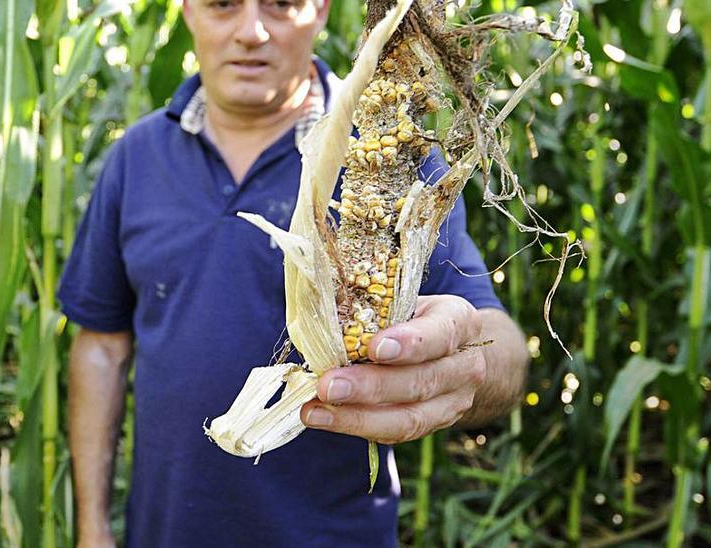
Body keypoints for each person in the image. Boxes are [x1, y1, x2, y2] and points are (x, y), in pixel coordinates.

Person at [59, 0, 530, 545]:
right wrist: (92, 525)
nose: (252, 31)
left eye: (282, 5)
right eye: (223, 5)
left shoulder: (400, 157)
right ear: (187, 10)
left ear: (321, 11)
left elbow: (502, 353)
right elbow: (101, 347)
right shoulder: (135, 157)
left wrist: (462, 366)